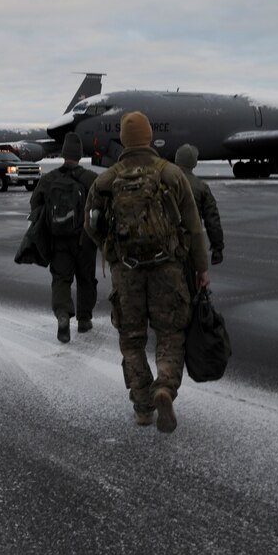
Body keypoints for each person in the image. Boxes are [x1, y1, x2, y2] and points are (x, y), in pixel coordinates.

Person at [85, 113, 210, 433]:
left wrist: (112, 251)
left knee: (131, 340)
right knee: (170, 334)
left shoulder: (106, 180)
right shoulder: (170, 174)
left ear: (125, 141)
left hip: (126, 273)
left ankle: (142, 407)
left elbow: (92, 225)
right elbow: (194, 227)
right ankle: (165, 387)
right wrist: (201, 268)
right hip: (167, 267)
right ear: (150, 137)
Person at [29, 132, 98, 343]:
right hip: (85, 240)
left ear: (63, 153)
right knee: (86, 280)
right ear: (79, 155)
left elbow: (35, 204)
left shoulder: (49, 179)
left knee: (61, 279)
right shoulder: (90, 179)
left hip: (58, 239)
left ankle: (62, 316)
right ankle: (84, 320)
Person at [174, 144, 225, 266]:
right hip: (190, 244)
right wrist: (217, 248)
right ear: (194, 163)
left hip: (164, 245)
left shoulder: (162, 181)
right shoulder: (201, 187)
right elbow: (212, 221)